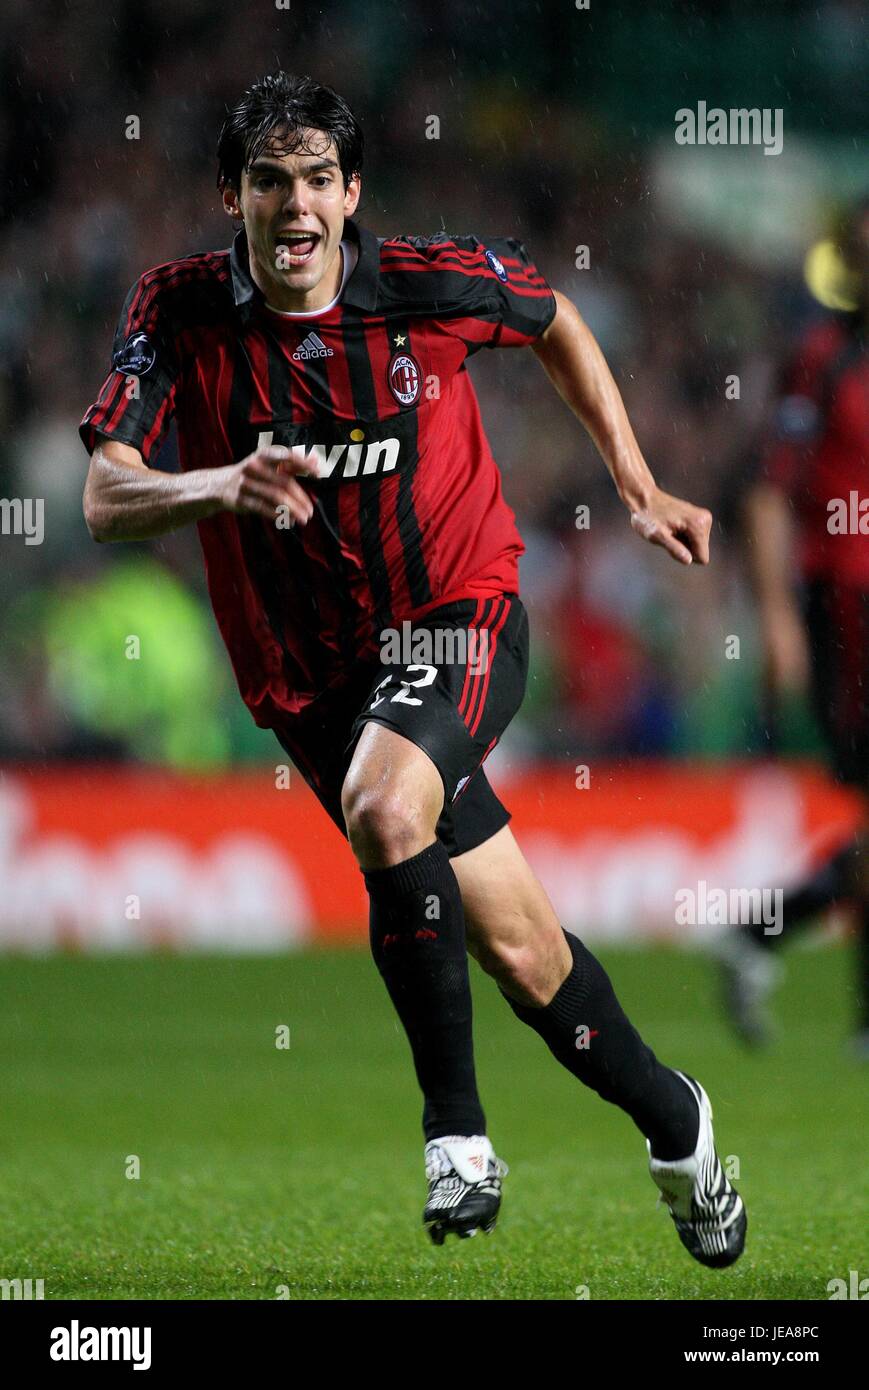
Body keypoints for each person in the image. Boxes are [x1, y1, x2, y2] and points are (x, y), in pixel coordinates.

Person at [80, 71, 743, 1264]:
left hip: (457, 619)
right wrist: (213, 482)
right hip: (314, 685)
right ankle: (679, 1123)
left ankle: (456, 1138)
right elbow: (102, 493)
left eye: (318, 180)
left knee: (387, 806)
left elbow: (554, 319)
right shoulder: (178, 309)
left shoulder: (429, 284)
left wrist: (636, 485)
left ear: (350, 194)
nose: (295, 205)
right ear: (230, 194)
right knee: (527, 955)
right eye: (269, 180)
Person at [718, 199, 869, 1054]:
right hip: (846, 606)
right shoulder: (820, 357)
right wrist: (775, 615)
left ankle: (760, 932)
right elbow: (769, 490)